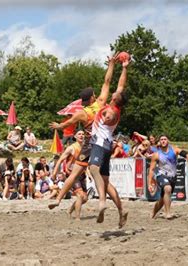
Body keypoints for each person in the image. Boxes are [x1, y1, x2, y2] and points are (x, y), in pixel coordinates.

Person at [48, 53, 118, 210]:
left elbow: (68, 123)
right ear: (93, 97)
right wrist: (111, 64)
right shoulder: (100, 103)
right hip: (101, 143)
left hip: (87, 145)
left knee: (74, 174)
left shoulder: (81, 113)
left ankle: (58, 200)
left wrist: (58, 127)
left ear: (83, 101)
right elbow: (107, 82)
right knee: (104, 180)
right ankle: (115, 206)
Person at [87, 55, 129, 227]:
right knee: (105, 181)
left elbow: (107, 80)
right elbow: (119, 84)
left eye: (117, 93)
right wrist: (123, 67)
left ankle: (102, 201)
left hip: (99, 142)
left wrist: (111, 64)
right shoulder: (117, 106)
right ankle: (121, 210)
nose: (116, 90)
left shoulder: (109, 108)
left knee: (93, 169)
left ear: (116, 98)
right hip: (107, 145)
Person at [147, 135, 188, 220]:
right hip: (161, 175)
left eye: (165, 139)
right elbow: (151, 169)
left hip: (172, 177)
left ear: (168, 141)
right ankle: (167, 213)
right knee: (167, 188)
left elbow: (187, 154)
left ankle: (153, 213)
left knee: (162, 199)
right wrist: (149, 183)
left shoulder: (174, 150)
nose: (163, 141)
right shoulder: (156, 154)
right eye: (161, 139)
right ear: (159, 142)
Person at [51, 130, 88, 220]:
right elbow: (60, 160)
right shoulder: (71, 148)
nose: (81, 136)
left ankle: (70, 210)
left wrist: (89, 173)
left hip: (82, 175)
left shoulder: (86, 147)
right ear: (75, 136)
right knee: (80, 195)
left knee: (85, 198)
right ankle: (77, 217)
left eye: (83, 134)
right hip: (72, 175)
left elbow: (86, 163)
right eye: (79, 134)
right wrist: (55, 172)